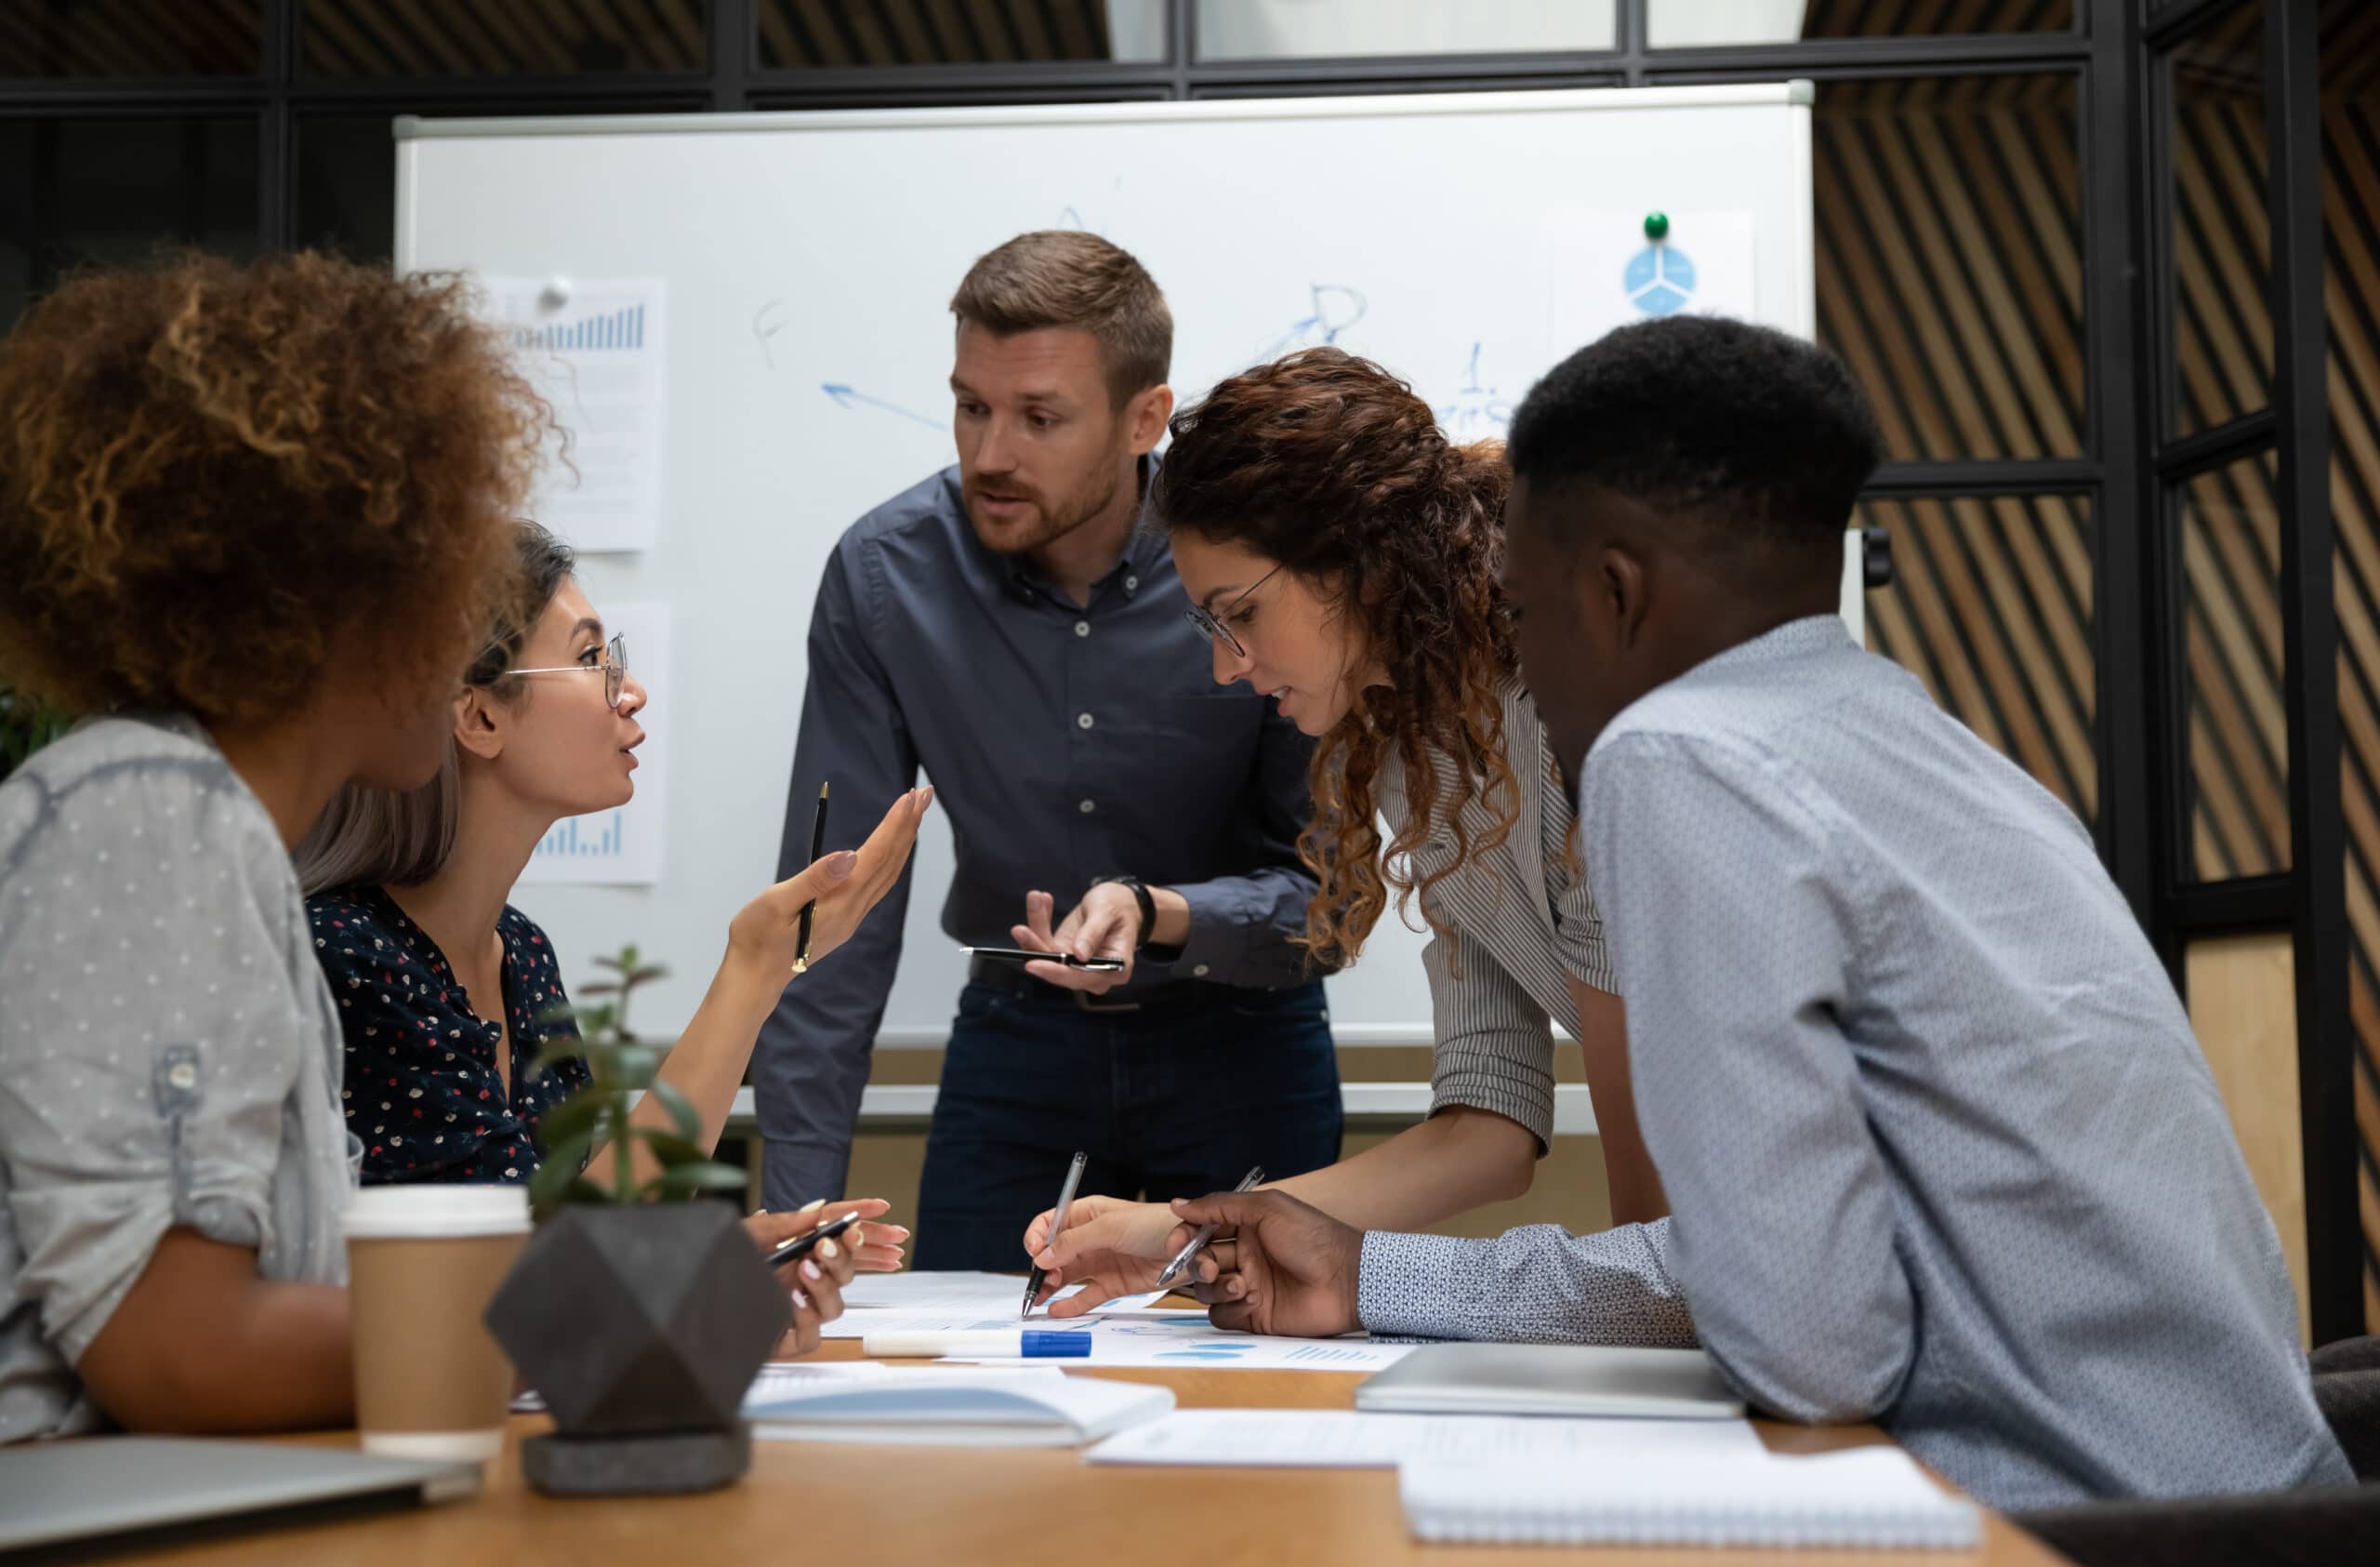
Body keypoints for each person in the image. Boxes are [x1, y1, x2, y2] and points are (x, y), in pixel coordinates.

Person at [1096, 317, 2357, 1510]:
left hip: (2085, 1513)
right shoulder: (1894, 726)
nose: (1503, 613)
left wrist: (1377, 1273)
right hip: (2231, 1476)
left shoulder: (1665, 757)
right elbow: (1736, 1264)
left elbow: (1795, 1332)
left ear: (1612, 589)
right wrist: (1321, 1255)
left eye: (1525, 587)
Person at [0, 255, 859, 1446]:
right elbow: (181, 1353)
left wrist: (644, 1288)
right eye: (442, 584)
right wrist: (608, 1313)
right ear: (339, 600)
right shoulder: (152, 815)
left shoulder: (196, 823)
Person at [1023, 347, 1683, 1340]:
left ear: (1359, 560)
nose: (1222, 668)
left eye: (1239, 616)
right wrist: (1181, 1230)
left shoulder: (1582, 725)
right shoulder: (1414, 748)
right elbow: (1488, 1129)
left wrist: (1356, 1276)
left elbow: (1660, 1253)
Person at [754, 232, 1342, 1269]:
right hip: (1016, 1045)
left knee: (1265, 1366)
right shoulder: (885, 577)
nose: (990, 454)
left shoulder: (1252, 567)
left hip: (1243, 1038)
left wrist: (1169, 918)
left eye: (1039, 418)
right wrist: (800, 1220)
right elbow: (831, 910)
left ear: (1143, 417)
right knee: (963, 1375)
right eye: (971, 405)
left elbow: (1327, 899)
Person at [295, 521, 925, 1298]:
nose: (630, 689)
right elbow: (535, 1296)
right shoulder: (348, 960)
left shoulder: (519, 953)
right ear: (480, 716)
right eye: (592, 657)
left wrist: (710, 1262)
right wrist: (755, 968)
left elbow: (572, 1240)